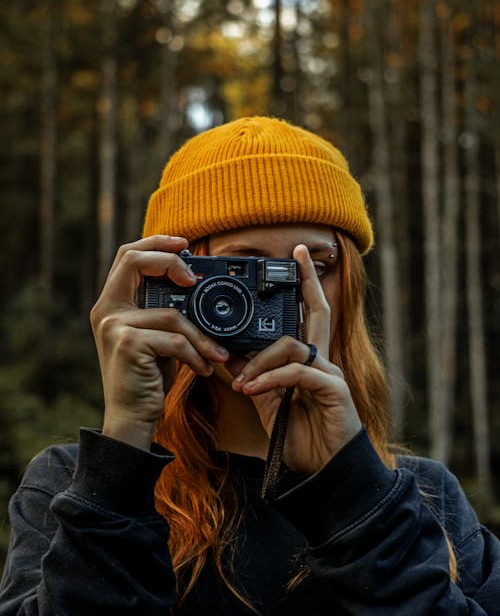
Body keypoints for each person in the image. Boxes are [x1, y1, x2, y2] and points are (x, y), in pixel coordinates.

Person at [1, 116, 499, 615]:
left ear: (347, 285)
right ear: (172, 282)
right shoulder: (73, 487)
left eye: (315, 268)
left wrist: (350, 489)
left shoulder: (424, 498)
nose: (289, 301)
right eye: (244, 270)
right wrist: (123, 448)